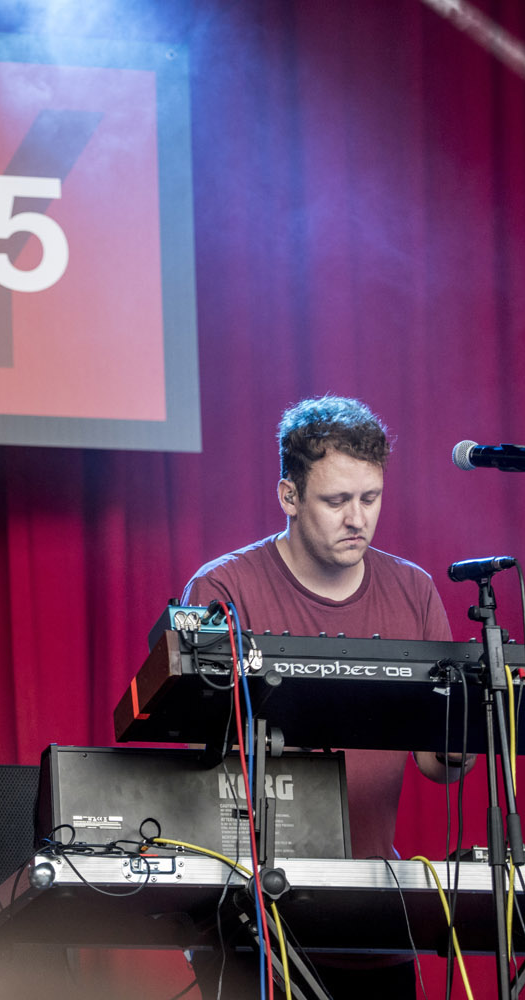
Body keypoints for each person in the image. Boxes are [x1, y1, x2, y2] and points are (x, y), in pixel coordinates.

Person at [181, 396, 471, 998]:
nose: (357, 519)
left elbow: (437, 765)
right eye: (336, 501)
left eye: (370, 498)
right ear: (289, 496)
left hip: (373, 920)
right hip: (254, 921)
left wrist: (469, 728)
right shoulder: (224, 588)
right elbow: (200, 756)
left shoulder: (413, 591)